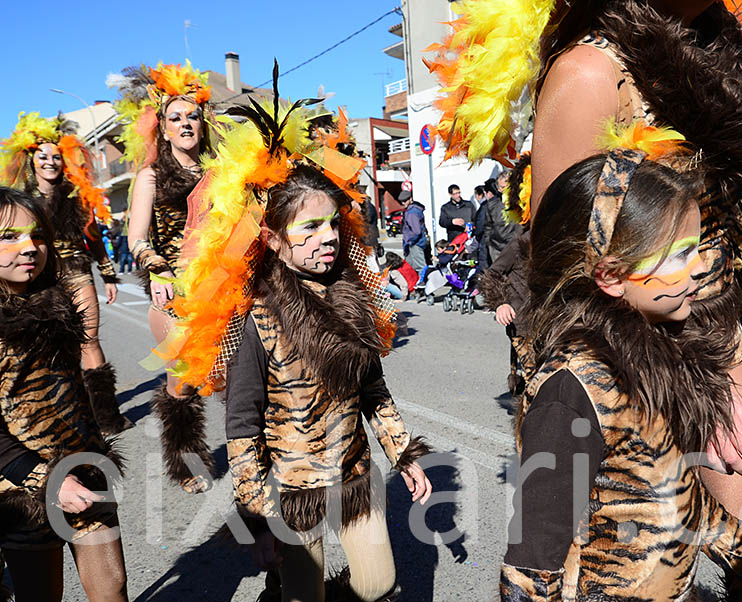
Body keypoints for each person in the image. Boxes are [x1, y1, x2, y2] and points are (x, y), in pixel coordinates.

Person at [427, 0, 742, 556]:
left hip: (710, 324)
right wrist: (691, 387)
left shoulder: (714, 51)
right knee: (626, 565)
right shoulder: (591, 74)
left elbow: (733, 193)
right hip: (618, 355)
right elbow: (564, 268)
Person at [500, 140, 742, 602]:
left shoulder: (658, 362)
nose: (698, 269)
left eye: (696, 248)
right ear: (611, 276)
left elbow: (683, 500)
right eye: (678, 255)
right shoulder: (572, 392)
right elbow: (531, 566)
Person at [158, 78, 431, 601]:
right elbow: (240, 426)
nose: (327, 237)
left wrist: (403, 456)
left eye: (331, 225)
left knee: (379, 584)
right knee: (305, 596)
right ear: (273, 238)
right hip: (293, 489)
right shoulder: (257, 317)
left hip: (353, 476)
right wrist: (258, 521)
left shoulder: (354, 297)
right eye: (308, 229)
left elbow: (374, 391)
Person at [0, 187, 127, 602]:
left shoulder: (57, 304)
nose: (29, 247)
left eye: (37, 235)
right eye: (9, 237)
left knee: (112, 589)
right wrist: (47, 479)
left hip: (84, 466)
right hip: (20, 486)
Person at [111, 61, 215, 493]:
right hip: (177, 292)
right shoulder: (150, 176)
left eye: (192, 115)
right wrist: (157, 268)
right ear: (163, 128)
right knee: (184, 382)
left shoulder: (220, 172)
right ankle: (185, 464)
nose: (185, 123)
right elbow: (136, 239)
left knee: (249, 373)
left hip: (224, 287)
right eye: (176, 117)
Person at [0, 112, 130, 436]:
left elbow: (94, 236)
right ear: (31, 161)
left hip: (76, 272)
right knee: (53, 346)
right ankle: (65, 411)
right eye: (42, 156)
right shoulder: (22, 201)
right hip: (40, 278)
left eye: (56, 156)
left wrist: (109, 273)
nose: (50, 162)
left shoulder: (76, 195)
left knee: (89, 341)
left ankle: (107, 416)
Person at [482, 154, 533, 400]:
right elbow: (490, 275)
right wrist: (500, 302)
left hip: (552, 323)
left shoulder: (556, 241)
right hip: (522, 321)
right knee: (537, 381)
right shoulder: (521, 242)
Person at [399, 189, 428, 271]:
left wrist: (409, 241)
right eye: (401, 201)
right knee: (411, 267)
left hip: (414, 244)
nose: (403, 203)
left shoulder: (411, 212)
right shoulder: (416, 209)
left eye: (405, 201)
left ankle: (422, 282)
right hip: (416, 243)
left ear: (410, 199)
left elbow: (416, 231)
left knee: (419, 267)